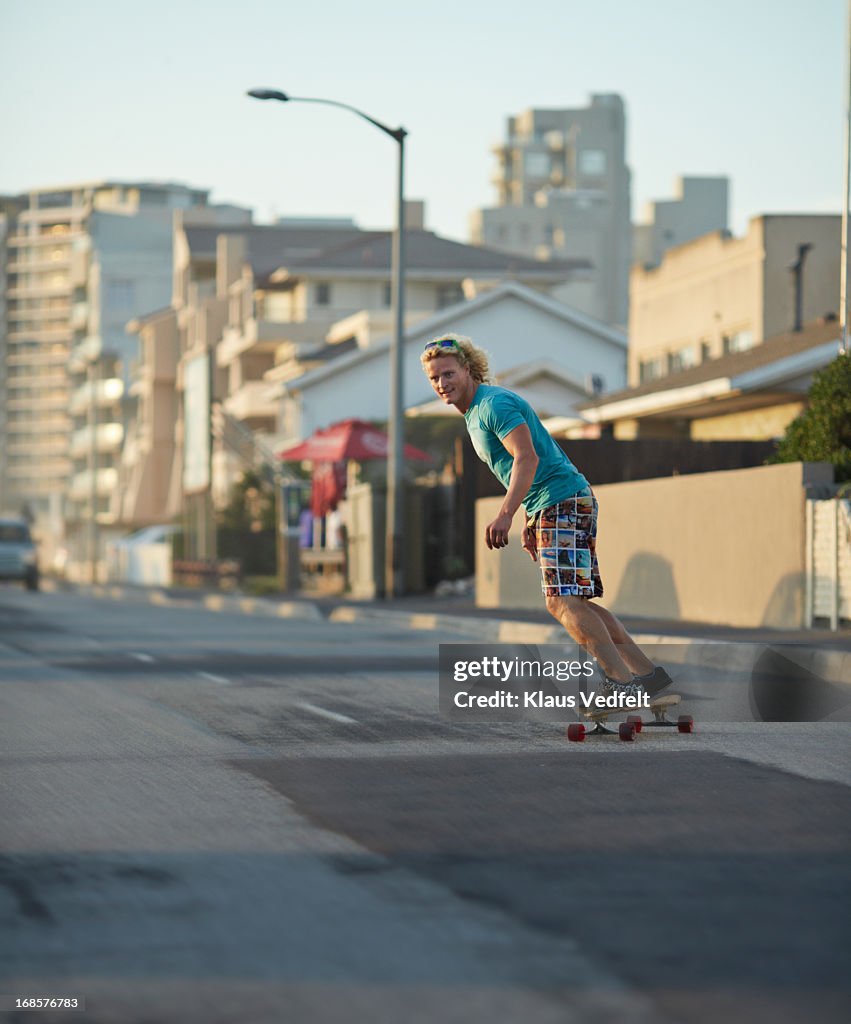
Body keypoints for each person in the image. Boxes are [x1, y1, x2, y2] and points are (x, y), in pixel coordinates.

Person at [421, 333, 672, 698]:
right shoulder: (476, 413)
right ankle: (648, 677)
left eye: (448, 374)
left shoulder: (493, 406)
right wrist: (530, 518)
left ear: (467, 368)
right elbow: (524, 468)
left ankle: (620, 682)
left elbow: (527, 458)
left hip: (562, 499)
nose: (442, 384)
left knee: (561, 600)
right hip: (556, 501)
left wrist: (506, 514)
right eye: (435, 378)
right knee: (575, 601)